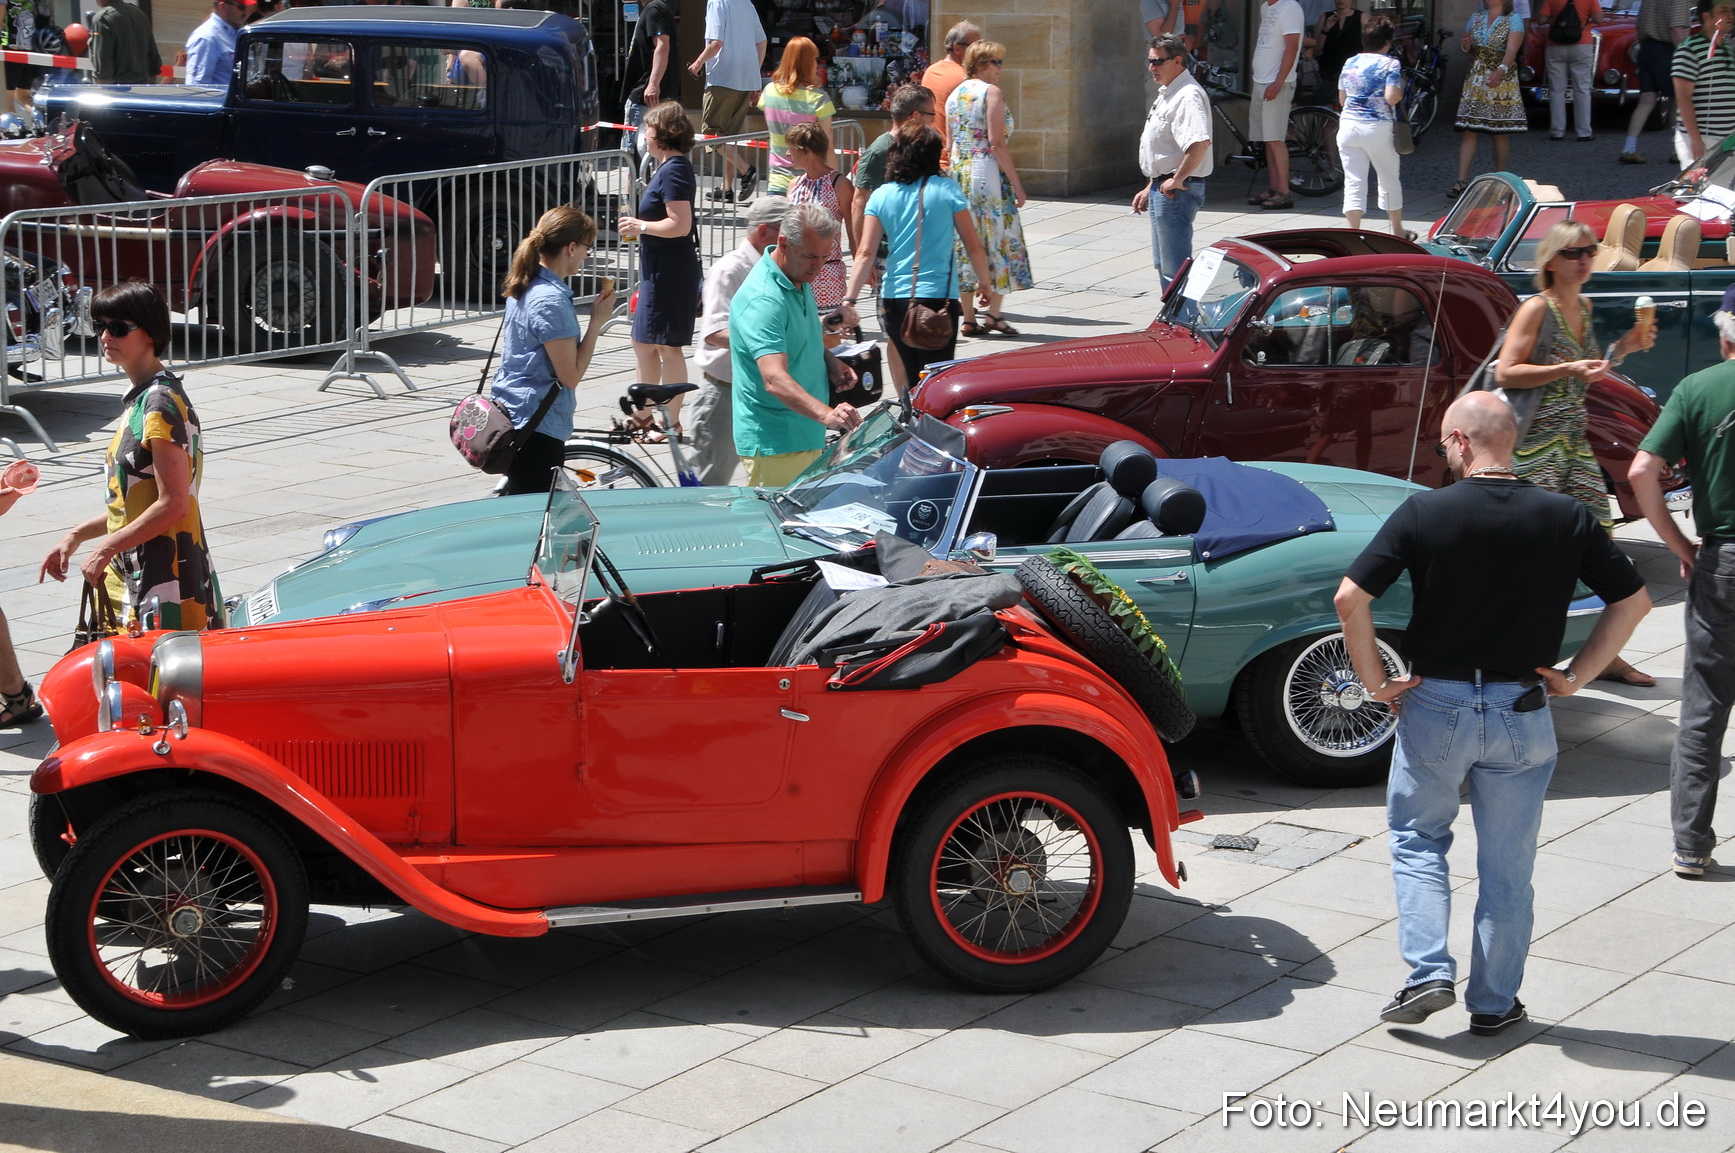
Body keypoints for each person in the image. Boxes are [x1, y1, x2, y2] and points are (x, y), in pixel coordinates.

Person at [1336, 391, 1651, 1036]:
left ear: (1458, 442)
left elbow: (1349, 598)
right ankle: (1494, 1002)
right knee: (1509, 868)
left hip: (1436, 704)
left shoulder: (1425, 512)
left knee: (1419, 840)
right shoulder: (1565, 517)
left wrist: (1375, 681)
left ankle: (1427, 971)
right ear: (1512, 441)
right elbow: (1634, 602)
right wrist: (1576, 677)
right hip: (1523, 706)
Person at [1495, 220, 1658, 686]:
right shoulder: (1536, 309)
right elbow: (1507, 372)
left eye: (1590, 250)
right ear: (1550, 259)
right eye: (1573, 253)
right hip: (1535, 449)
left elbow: (1585, 371)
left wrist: (1622, 347)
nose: (1585, 260)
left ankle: (1602, 652)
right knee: (1535, 555)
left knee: (1598, 544)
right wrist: (1565, 366)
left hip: (1572, 443)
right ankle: (1518, 646)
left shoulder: (1583, 306)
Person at [38, 282, 222, 632]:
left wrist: (105, 548)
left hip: (165, 578)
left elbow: (173, 504)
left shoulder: (159, 405)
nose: (106, 335)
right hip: (140, 570)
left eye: (118, 328)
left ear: (150, 332)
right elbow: (133, 502)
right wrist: (75, 536)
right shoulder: (142, 398)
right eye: (100, 326)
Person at [1632, 295, 1735, 877]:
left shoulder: (1698, 388)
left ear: (1726, 336)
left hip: (1722, 561)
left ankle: (1691, 844)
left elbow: (1643, 470)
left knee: (1705, 706)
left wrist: (1678, 545)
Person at [842, 125, 991, 392]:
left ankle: (911, 423)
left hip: (893, 299)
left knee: (911, 380)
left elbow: (865, 253)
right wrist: (985, 283)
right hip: (936, 299)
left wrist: (849, 300)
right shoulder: (947, 190)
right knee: (936, 378)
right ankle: (930, 428)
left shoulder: (881, 195)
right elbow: (974, 246)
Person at [731, 202, 863, 487]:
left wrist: (829, 361)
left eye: (825, 257)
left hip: (804, 432)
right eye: (810, 256)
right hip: (777, 443)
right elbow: (773, 378)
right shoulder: (764, 299)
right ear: (783, 243)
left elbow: (798, 336)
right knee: (775, 531)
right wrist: (828, 414)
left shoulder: (796, 276)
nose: (818, 267)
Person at [488, 207, 615, 496]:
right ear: (571, 248)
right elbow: (570, 376)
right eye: (586, 248)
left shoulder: (526, 284)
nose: (586, 255)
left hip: (515, 415)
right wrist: (597, 322)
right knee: (533, 522)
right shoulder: (551, 301)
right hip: (537, 429)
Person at [692, 195, 789, 486]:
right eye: (786, 233)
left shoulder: (773, 268)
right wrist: (767, 343)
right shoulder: (730, 269)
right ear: (763, 232)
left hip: (757, 391)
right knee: (710, 488)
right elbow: (714, 332)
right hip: (725, 393)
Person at [619, 101, 701, 432]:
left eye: (649, 129)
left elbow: (680, 224)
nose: (645, 135)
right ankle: (645, 415)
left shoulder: (675, 170)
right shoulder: (666, 167)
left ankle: (671, 422)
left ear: (663, 133)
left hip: (670, 270)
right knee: (644, 341)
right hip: (660, 268)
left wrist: (641, 226)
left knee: (667, 346)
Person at [947, 40, 1031, 337]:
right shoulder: (990, 92)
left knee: (967, 241)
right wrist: (1017, 185)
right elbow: (997, 142)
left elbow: (950, 144)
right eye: (996, 62)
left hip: (960, 172)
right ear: (981, 63)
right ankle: (994, 312)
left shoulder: (955, 94)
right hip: (986, 173)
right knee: (999, 237)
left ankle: (969, 316)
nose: (1000, 69)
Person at [1135, 34, 1213, 289]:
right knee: (1164, 264)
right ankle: (1171, 324)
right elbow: (1165, 148)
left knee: (1175, 267)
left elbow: (1200, 143)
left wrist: (1175, 180)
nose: (1151, 68)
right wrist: (1152, 184)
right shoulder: (1170, 92)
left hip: (1176, 192)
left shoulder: (1187, 95)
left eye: (1157, 61)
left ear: (1177, 61)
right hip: (1163, 188)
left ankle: (1184, 324)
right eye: (1150, 61)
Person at [690, 0, 767, 204]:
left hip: (723, 78)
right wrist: (754, 76)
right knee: (728, 137)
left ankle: (747, 170)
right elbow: (762, 42)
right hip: (745, 80)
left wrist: (697, 63)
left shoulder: (717, 2)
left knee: (711, 134)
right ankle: (726, 187)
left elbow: (716, 43)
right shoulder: (746, 4)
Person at [1448, 0, 1526, 200]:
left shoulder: (1513, 19)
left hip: (1500, 78)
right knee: (1469, 129)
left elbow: (1511, 50)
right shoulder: (1476, 17)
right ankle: (1461, 180)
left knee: (1498, 131)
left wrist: (1501, 69)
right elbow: (1467, 45)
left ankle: (1501, 181)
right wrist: (1465, 46)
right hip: (1476, 76)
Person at [1336, 16, 1405, 236]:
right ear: (1387, 42)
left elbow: (1342, 99)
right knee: (1388, 178)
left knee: (1353, 180)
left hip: (1348, 126)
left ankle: (1353, 233)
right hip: (1377, 126)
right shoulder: (1391, 63)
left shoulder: (1349, 62)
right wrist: (1401, 89)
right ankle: (1397, 231)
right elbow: (1392, 97)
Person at [785, 121, 854, 315]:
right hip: (794, 272)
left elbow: (853, 229)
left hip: (826, 272)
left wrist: (861, 267)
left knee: (829, 336)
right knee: (797, 334)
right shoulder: (794, 185)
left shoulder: (839, 184)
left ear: (806, 150)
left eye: (791, 149)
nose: (787, 155)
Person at [760, 38, 836, 196]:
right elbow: (827, 146)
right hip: (810, 185)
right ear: (807, 62)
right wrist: (835, 182)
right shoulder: (818, 99)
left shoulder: (768, 92)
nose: (817, 63)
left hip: (776, 182)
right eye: (814, 59)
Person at [1249, 0, 1304, 210]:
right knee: (1267, 139)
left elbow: (1292, 46)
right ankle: (1274, 187)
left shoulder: (1290, 7)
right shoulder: (1266, 7)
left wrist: (1279, 81)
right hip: (1260, 80)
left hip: (1276, 82)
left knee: (1275, 138)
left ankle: (1284, 192)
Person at [1621, 0, 1690, 162]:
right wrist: (1687, 55)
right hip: (1669, 49)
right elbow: (1675, 28)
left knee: (1646, 100)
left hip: (1647, 47)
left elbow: (1639, 25)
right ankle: (1678, 151)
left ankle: (1629, 148)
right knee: (1678, 101)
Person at [1673, 0, 1735, 168]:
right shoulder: (1689, 49)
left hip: (1728, 140)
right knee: (1699, 192)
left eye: (1732, 10)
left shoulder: (1728, 49)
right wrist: (1695, 139)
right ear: (1707, 16)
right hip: (1704, 140)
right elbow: (1683, 97)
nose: (1730, 15)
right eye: (1724, 11)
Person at [1536, 0, 1604, 142]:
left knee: (1556, 90)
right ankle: (1584, 132)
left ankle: (1557, 131)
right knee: (1582, 89)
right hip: (1581, 44)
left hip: (1555, 45)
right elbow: (1599, 19)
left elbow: (1541, 20)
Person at [619, 0, 675, 162]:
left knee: (636, 158)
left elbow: (663, 46)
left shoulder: (654, 9)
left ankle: (639, 187)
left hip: (645, 96)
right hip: (648, 95)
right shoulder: (653, 10)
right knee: (646, 158)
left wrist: (653, 84)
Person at [921, 21, 978, 168]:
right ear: (957, 48)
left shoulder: (931, 71)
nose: (979, 51)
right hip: (955, 161)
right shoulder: (965, 78)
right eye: (975, 47)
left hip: (929, 157)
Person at [90, 0, 162, 86]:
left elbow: (102, 69)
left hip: (118, 92)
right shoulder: (140, 14)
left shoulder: (102, 19)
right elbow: (153, 62)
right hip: (142, 89)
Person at [185, 0, 250, 87]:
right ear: (223, 7)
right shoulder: (207, 37)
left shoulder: (235, 33)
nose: (246, 12)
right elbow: (197, 86)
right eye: (241, 7)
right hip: (219, 99)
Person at [0, 0, 47, 113]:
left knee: (7, 99)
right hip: (30, 48)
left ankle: (12, 129)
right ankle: (41, 121)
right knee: (24, 96)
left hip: (10, 49)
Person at [1306, 0, 1363, 86]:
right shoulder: (1325, 17)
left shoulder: (1362, 17)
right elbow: (1316, 49)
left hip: (1354, 72)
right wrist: (1325, 29)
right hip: (1328, 72)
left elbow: (1368, 47)